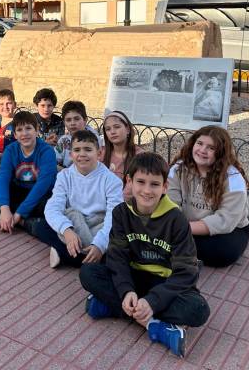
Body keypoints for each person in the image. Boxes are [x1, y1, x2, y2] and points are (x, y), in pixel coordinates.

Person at [80, 152, 210, 358]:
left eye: (155, 184)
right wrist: (126, 291)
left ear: (165, 187)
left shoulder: (177, 220)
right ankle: (155, 325)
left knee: (198, 310)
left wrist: (153, 301)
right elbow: (117, 257)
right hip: (133, 277)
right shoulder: (121, 213)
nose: (147, 190)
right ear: (129, 181)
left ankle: (114, 307)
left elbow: (187, 272)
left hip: (164, 283)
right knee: (88, 272)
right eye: (140, 182)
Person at [34, 130, 123, 268]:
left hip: (97, 227)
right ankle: (89, 259)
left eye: (88, 149)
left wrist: (99, 244)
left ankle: (65, 252)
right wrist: (67, 231)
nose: (82, 154)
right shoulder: (64, 176)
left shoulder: (112, 181)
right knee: (42, 226)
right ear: (71, 155)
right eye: (77, 150)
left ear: (99, 154)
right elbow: (53, 207)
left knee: (119, 235)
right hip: (74, 225)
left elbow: (114, 217)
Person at [167, 126, 249, 268]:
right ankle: (185, 252)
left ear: (221, 153)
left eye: (211, 148)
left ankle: (182, 252)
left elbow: (225, 220)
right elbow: (170, 203)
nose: (202, 150)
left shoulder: (233, 179)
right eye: (199, 143)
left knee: (223, 253)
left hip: (224, 231)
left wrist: (182, 230)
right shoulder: (178, 169)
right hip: (185, 226)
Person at [0, 111, 57, 235]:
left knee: (50, 205)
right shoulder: (11, 150)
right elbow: (3, 179)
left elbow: (42, 187)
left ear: (36, 130)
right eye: (19, 130)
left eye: (29, 128)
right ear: (14, 134)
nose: (24, 134)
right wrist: (4, 208)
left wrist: (18, 214)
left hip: (39, 195)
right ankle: (16, 218)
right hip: (18, 191)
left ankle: (9, 216)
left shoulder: (47, 151)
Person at [101, 110, 143, 198]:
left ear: (127, 129)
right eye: (108, 129)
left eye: (117, 127)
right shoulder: (101, 154)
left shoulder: (140, 156)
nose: (112, 132)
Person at [55, 100, 99, 169]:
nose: (72, 123)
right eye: (68, 120)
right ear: (64, 122)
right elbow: (55, 160)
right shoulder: (63, 141)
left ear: (85, 120)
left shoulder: (95, 139)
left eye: (76, 119)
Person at [0, 89, 17, 156]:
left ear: (15, 105)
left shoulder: (19, 124)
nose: (5, 107)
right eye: (1, 104)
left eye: (9, 103)